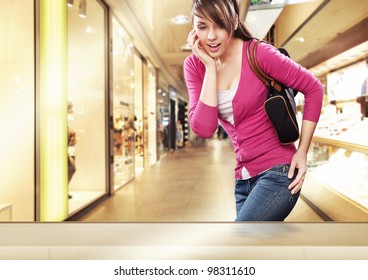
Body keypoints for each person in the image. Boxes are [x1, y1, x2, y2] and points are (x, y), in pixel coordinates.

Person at [184, 0, 324, 221]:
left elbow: (314, 88)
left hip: (279, 172)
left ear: (234, 20)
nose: (211, 36)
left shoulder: (258, 53)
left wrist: (303, 152)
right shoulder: (195, 65)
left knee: (240, 246)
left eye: (219, 24)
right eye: (202, 27)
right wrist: (210, 68)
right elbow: (204, 128)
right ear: (193, 29)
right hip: (243, 180)